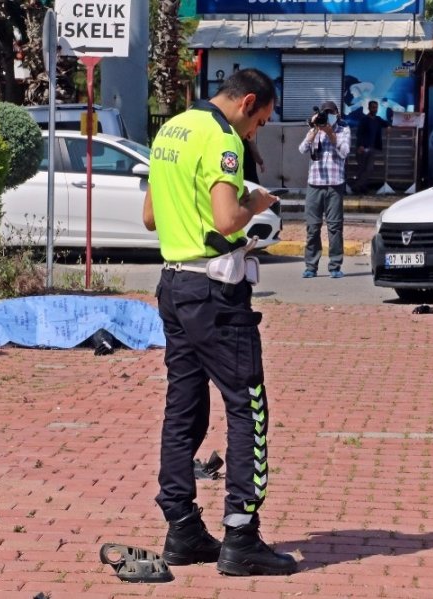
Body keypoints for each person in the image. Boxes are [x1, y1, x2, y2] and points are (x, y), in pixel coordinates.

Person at [142, 67, 297, 577]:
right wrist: (257, 201)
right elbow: (228, 218)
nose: (255, 133)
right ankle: (241, 534)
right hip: (215, 292)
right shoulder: (221, 137)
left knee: (182, 407)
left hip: (173, 285)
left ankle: (182, 527)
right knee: (246, 406)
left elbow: (150, 217)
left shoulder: (172, 129)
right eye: (260, 122)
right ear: (247, 102)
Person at [298, 100, 350, 279]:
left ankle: (335, 266)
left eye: (331, 112)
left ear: (337, 114)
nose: (328, 116)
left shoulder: (343, 130)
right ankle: (311, 267)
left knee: (335, 227)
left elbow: (345, 152)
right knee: (312, 227)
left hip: (335, 184)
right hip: (315, 183)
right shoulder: (315, 129)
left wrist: (331, 134)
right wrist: (314, 130)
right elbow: (302, 149)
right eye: (325, 113)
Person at [352, 100, 388, 194]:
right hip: (362, 148)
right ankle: (361, 188)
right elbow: (359, 133)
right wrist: (360, 145)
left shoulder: (378, 119)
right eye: (373, 107)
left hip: (372, 148)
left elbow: (387, 123)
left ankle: (357, 186)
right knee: (362, 169)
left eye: (376, 108)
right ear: (369, 108)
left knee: (369, 169)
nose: (375, 109)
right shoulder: (364, 119)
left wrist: (390, 125)